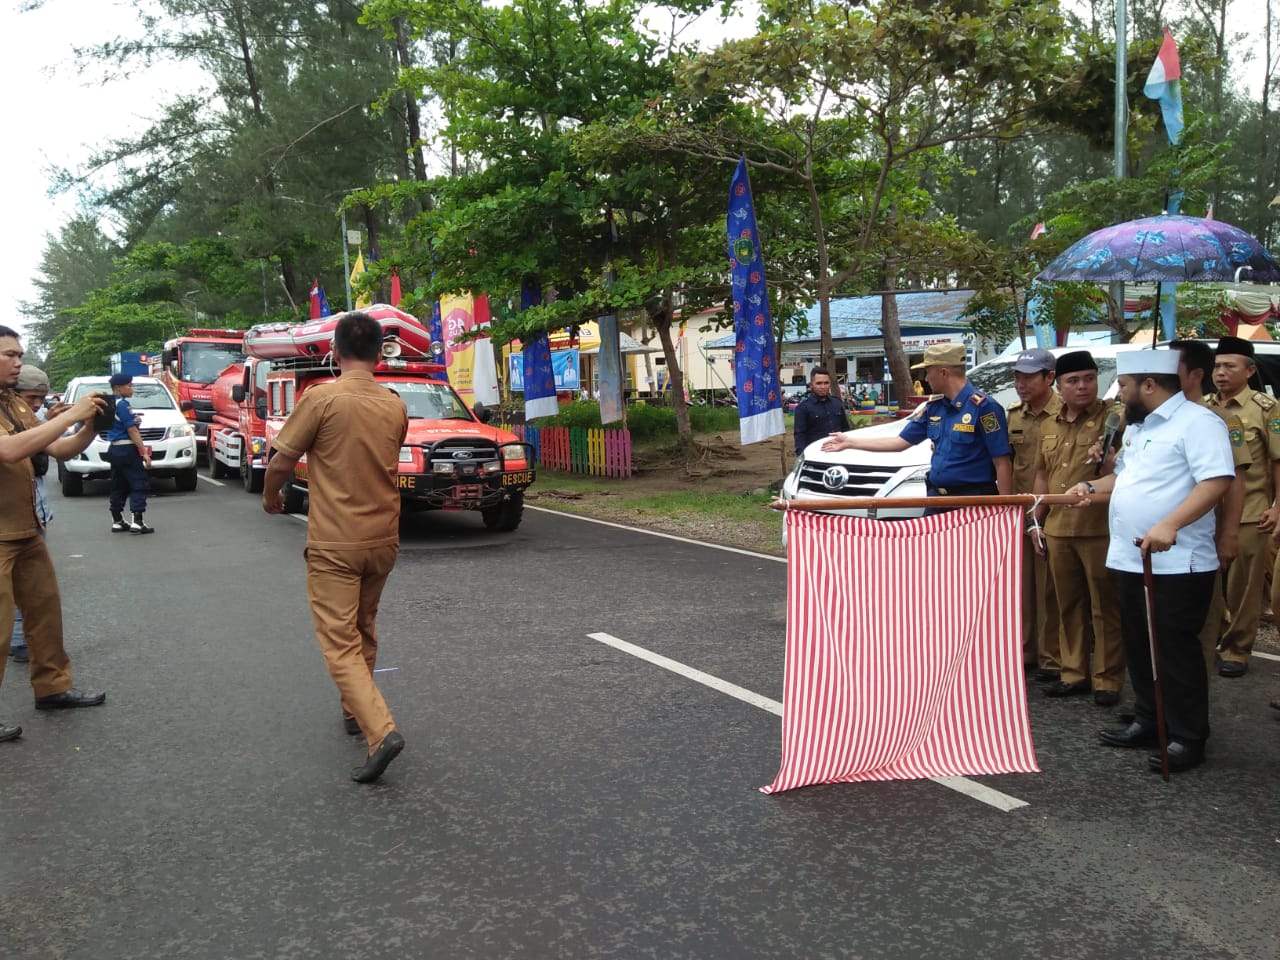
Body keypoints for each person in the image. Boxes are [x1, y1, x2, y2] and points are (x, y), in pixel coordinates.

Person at [262, 311, 409, 784]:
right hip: (383, 539)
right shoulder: (394, 404)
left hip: (335, 542)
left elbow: (281, 461)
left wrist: (271, 497)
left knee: (340, 641)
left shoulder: (320, 398)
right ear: (380, 353)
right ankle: (353, 711)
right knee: (364, 626)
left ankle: (380, 731)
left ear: (335, 351)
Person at [1074, 350, 1233, 774]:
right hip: (1132, 556)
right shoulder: (1139, 426)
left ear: (1149, 385)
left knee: (1174, 650)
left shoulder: (1199, 423)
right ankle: (1150, 718)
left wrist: (1171, 523)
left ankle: (1188, 736)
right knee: (1140, 645)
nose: (1118, 394)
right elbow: (1124, 478)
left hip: (1178, 561)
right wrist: (1090, 485)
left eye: (1123, 385)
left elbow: (1216, 480)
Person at [0, 325, 110, 744]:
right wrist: (70, 414)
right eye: (9, 355)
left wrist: (92, 427)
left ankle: (52, 688)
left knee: (45, 614)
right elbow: (10, 450)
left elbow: (58, 449)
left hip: (26, 529)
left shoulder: (12, 402)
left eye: (19, 354)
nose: (18, 362)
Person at [1031, 351, 1125, 706]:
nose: (1083, 386)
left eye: (1089, 378)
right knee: (1067, 605)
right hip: (1058, 528)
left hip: (1098, 528)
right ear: (1059, 385)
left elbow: (1124, 430)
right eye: (1073, 380)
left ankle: (1108, 679)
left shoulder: (1112, 417)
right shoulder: (1049, 424)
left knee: (1105, 606)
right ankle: (1073, 673)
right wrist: (1035, 521)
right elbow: (1042, 475)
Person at [823, 342, 1012, 514]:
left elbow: (1002, 462)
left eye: (928, 371)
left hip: (972, 504)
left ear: (943, 373)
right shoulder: (934, 407)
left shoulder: (984, 408)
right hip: (936, 502)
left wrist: (1004, 511)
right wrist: (850, 442)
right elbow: (899, 442)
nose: (926, 378)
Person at [1170, 339, 1249, 676]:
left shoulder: (1219, 420)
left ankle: (1194, 692)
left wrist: (1229, 534)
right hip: (1162, 535)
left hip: (1203, 533)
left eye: (1172, 366)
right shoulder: (1154, 417)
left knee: (1201, 616)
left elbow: (1235, 482)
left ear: (1194, 374)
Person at [1203, 335, 1280, 678]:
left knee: (1243, 587)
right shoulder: (1202, 406)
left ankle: (1238, 648)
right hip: (1207, 512)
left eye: (1229, 366)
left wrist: (1277, 508)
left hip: (1251, 510)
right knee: (1209, 585)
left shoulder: (1266, 408)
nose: (1221, 373)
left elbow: (1278, 460)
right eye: (1217, 366)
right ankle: (1217, 635)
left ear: (1249, 371)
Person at [1005, 348, 1064, 681]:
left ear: (1049, 377)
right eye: (1017, 377)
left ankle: (1054, 655)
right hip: (1020, 514)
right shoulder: (1014, 416)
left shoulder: (1065, 413)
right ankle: (1027, 650)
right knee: (1024, 586)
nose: (1021, 384)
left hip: (1057, 511)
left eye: (1028, 377)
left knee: (1053, 588)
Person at [9, 365, 55, 665]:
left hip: (36, 512)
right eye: (31, 398)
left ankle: (24, 642)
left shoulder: (31, 419)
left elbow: (59, 450)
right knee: (20, 586)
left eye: (41, 398)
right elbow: (13, 453)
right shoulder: (10, 422)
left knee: (34, 588)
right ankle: (19, 641)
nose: (37, 404)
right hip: (12, 520)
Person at [105, 373, 154, 534]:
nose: (132, 388)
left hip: (114, 448)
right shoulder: (123, 405)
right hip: (127, 448)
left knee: (118, 484)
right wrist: (144, 452)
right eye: (129, 385)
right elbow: (132, 430)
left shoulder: (109, 404)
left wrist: (134, 420)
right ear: (118, 388)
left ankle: (117, 520)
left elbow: (117, 424)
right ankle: (137, 521)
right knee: (138, 482)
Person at [792, 366, 849, 456]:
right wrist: (802, 457)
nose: (823, 387)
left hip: (839, 453)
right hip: (817, 455)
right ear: (811, 385)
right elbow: (800, 436)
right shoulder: (803, 408)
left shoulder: (837, 403)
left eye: (826, 383)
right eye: (819, 383)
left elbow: (846, 430)